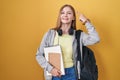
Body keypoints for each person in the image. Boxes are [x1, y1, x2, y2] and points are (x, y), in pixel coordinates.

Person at [36, 4, 100, 80]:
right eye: (62, 13)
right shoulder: (50, 34)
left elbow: (96, 38)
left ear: (73, 17)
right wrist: (50, 69)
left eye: (69, 13)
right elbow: (39, 55)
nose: (65, 15)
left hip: (72, 73)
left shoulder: (78, 36)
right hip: (54, 74)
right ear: (60, 16)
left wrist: (86, 22)